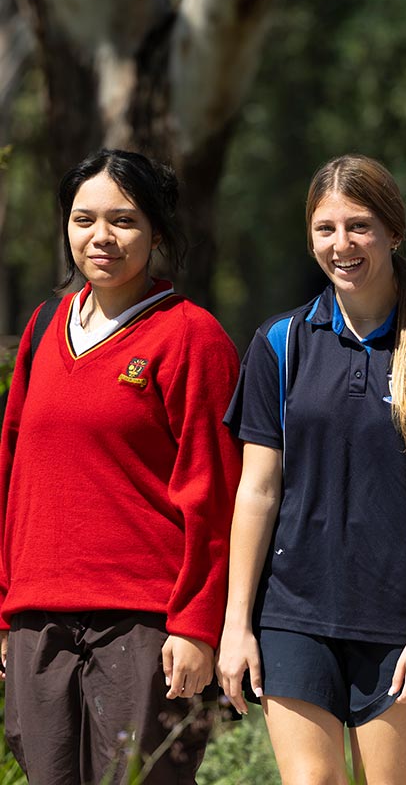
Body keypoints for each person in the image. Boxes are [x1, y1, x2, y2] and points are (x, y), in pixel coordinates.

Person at [0, 148, 242, 785]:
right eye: (83, 220)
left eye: (123, 220)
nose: (100, 237)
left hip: (144, 626)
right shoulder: (42, 327)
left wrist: (196, 626)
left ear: (157, 232)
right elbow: (13, 477)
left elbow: (217, 495)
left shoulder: (192, 337)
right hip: (37, 618)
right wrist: (5, 610)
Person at [216, 154, 406, 785]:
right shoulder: (279, 344)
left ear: (393, 232)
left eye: (360, 226)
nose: (341, 245)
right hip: (293, 615)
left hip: (398, 623)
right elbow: (257, 492)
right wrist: (236, 624)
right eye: (325, 228)